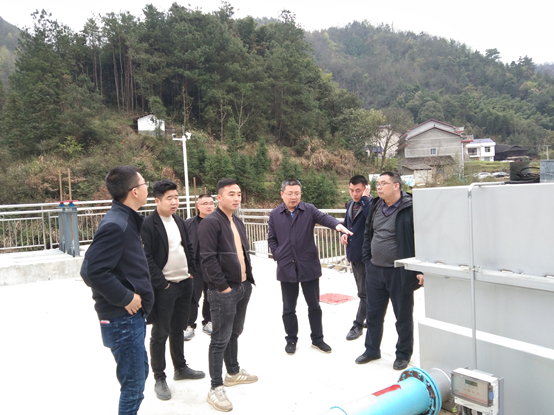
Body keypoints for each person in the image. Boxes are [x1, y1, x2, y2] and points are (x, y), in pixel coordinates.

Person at [80, 165, 154, 415]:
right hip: (122, 318)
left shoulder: (126, 219)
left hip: (130, 317)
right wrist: (126, 297)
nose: (147, 188)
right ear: (134, 191)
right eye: (144, 184)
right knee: (133, 387)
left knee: (139, 373)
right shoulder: (116, 224)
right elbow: (91, 271)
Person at [268, 179, 353, 355]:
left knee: (314, 306)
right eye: (290, 193)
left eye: (297, 193)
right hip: (286, 266)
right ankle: (291, 339)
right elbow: (272, 238)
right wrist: (277, 255)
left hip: (308, 265)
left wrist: (338, 225)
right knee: (288, 308)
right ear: (282, 194)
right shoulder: (275, 214)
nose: (293, 197)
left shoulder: (308, 209)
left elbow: (324, 218)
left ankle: (318, 339)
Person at [141, 180, 205, 401]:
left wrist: (191, 271)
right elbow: (146, 257)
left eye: (176, 197)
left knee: (178, 328)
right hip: (165, 287)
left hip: (185, 283)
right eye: (169, 198)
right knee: (160, 333)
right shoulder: (149, 224)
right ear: (157, 200)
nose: (174, 201)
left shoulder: (179, 220)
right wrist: (162, 283)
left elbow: (188, 246)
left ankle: (180, 368)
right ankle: (159, 377)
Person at [198, 179, 257, 412]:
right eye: (231, 194)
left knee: (234, 332)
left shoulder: (236, 221)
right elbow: (208, 259)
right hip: (224, 290)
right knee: (219, 339)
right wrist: (222, 287)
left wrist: (246, 282)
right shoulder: (211, 223)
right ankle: (215, 387)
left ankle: (232, 372)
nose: (236, 198)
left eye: (239, 194)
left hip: (242, 286)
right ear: (219, 197)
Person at [355, 171, 424, 370]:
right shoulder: (376, 205)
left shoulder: (410, 207)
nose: (379, 187)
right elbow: (368, 234)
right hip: (375, 270)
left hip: (399, 272)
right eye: (378, 183)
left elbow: (420, 238)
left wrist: (419, 269)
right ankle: (371, 350)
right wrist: (368, 261)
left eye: (383, 183)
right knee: (374, 314)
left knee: (402, 316)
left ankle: (403, 354)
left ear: (396, 186)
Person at [340, 175, 373, 341]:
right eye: (351, 190)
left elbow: (371, 221)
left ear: (366, 189)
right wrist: (343, 234)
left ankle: (358, 324)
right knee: (365, 291)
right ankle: (369, 319)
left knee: (364, 293)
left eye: (358, 190)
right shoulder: (350, 204)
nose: (354, 194)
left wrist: (366, 199)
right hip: (354, 255)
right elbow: (346, 225)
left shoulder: (372, 204)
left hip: (369, 256)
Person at [184, 194, 215, 340]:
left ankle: (208, 321)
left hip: (213, 265)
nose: (209, 206)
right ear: (198, 206)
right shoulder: (189, 223)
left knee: (211, 295)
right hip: (195, 266)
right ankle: (189, 324)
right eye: (205, 203)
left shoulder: (218, 222)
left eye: (211, 203)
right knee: (192, 296)